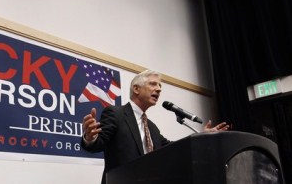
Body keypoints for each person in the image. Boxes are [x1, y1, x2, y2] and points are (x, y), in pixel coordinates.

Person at [81, 70, 229, 184]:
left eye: (160, 86)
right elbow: (96, 144)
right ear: (136, 89)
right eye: (153, 84)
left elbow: (174, 148)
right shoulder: (115, 113)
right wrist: (90, 137)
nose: (158, 89)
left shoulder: (152, 128)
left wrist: (201, 137)